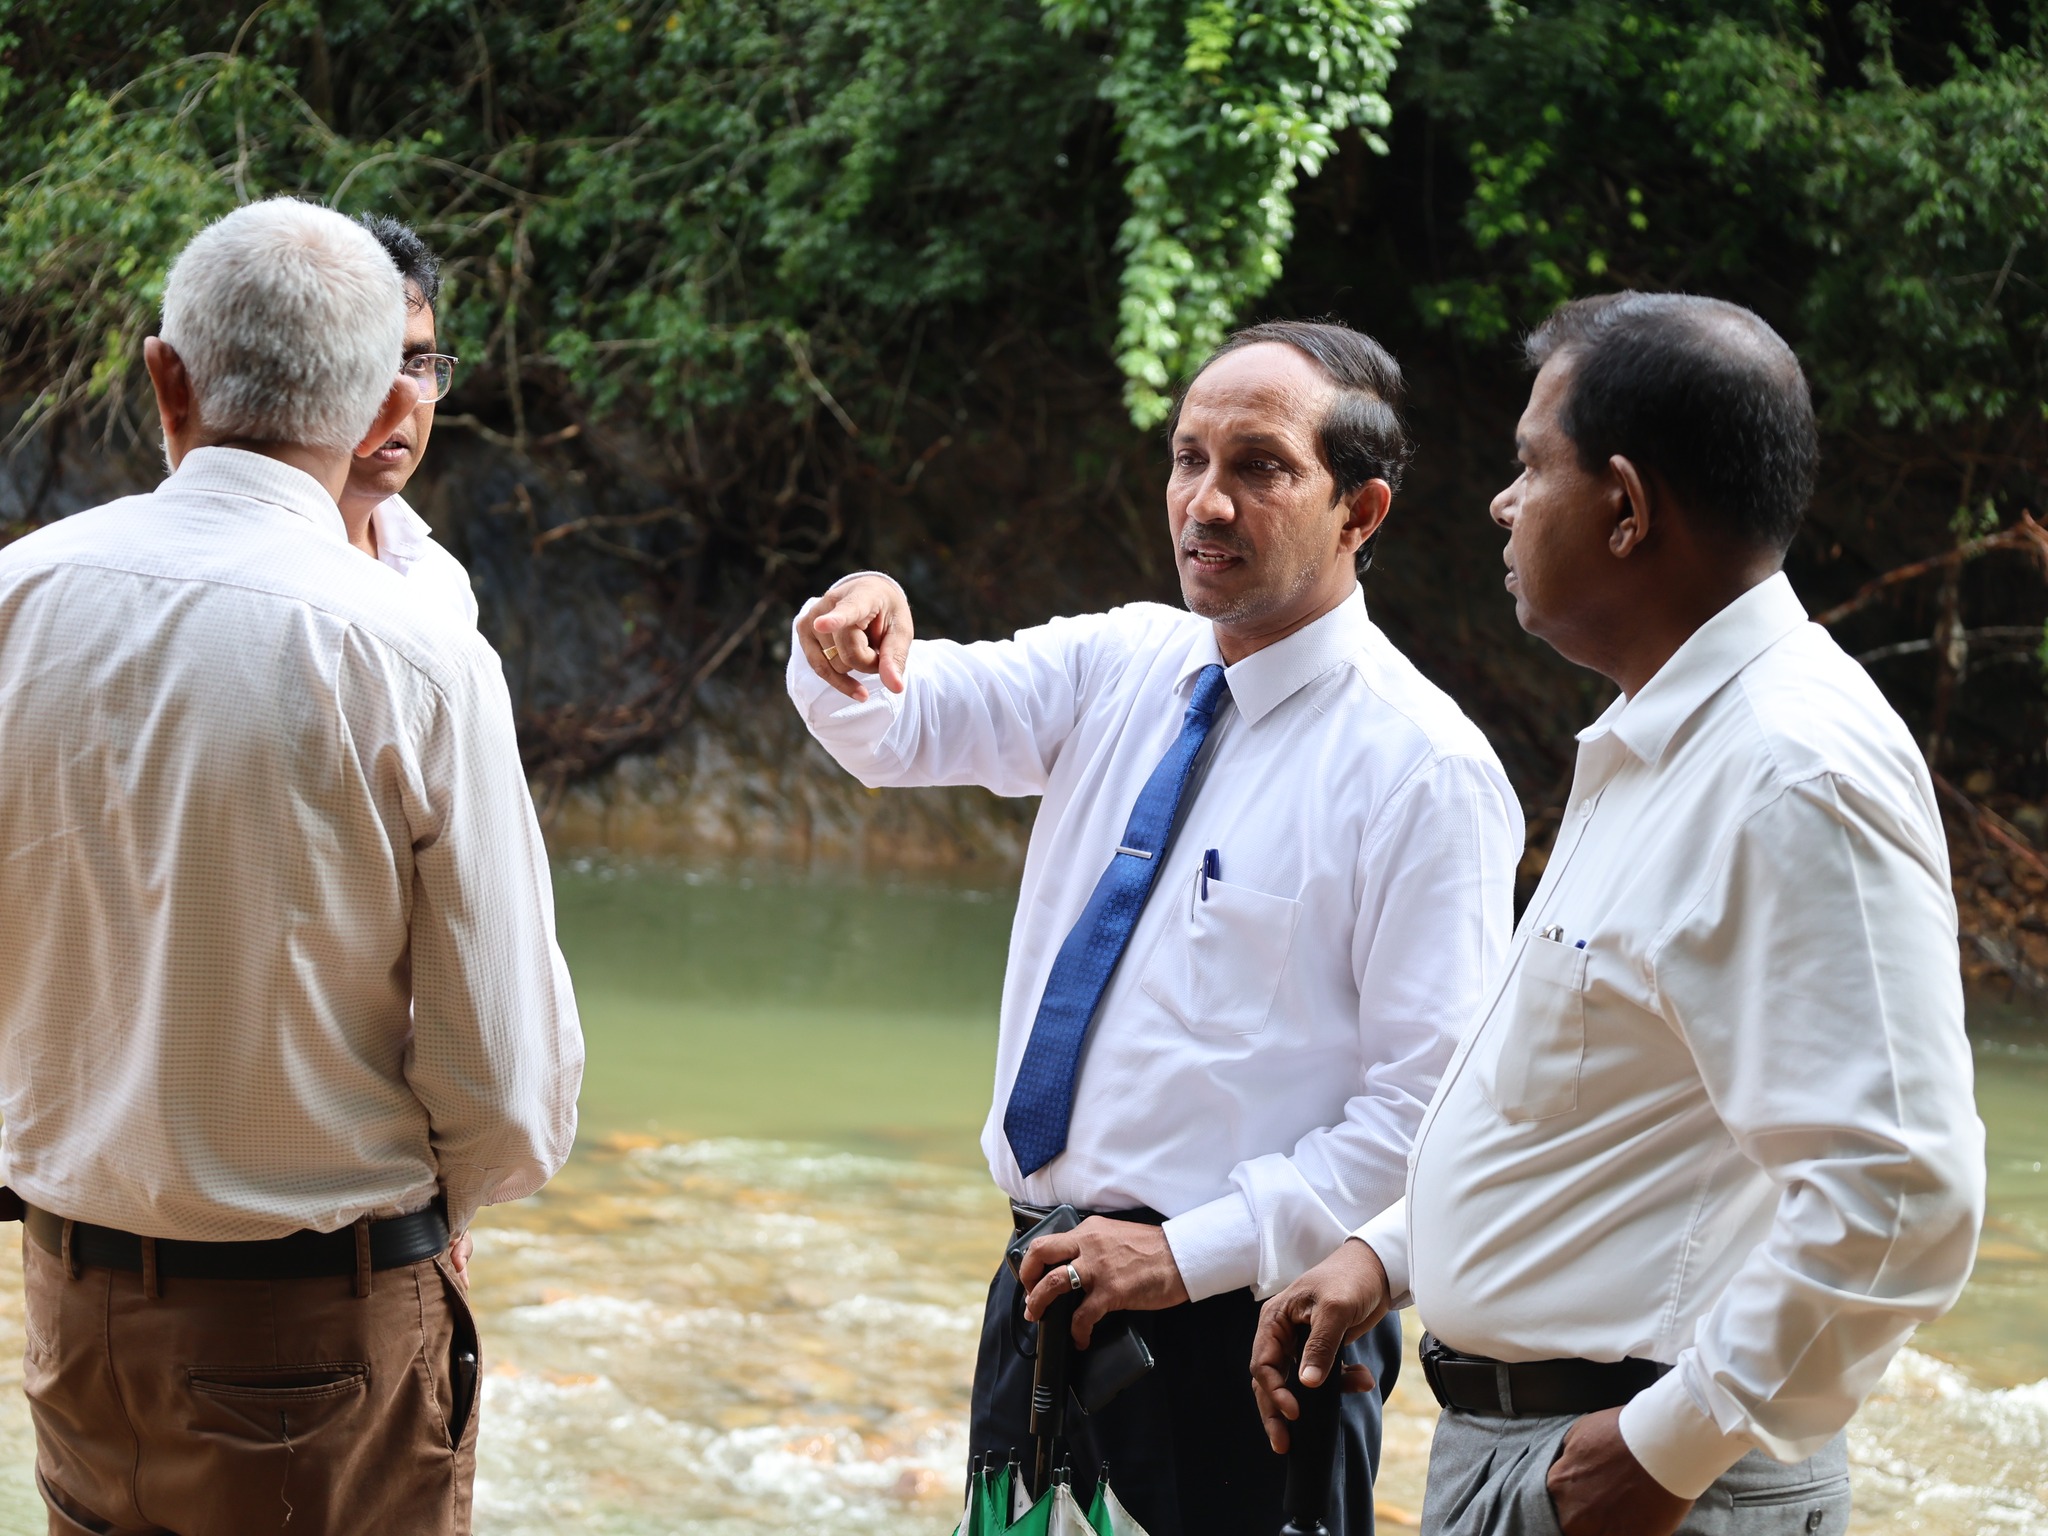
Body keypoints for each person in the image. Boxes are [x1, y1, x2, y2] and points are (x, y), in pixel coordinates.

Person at [1250, 293, 1985, 1536]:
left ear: (1627, 508)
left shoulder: (1788, 770)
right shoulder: (1663, 739)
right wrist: (1389, 1253)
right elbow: (1593, 1115)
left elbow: (1901, 1192)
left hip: (1638, 1475)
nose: (1502, 502)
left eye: (1531, 465)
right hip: (1545, 1449)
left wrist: (1666, 1446)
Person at [788, 320, 1522, 1534]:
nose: (1205, 502)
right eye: (1188, 459)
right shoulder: (1122, 662)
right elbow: (893, 725)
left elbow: (1426, 1124)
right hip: (1044, 1293)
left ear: (1360, 510)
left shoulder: (1420, 770)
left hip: (1252, 1336)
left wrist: (1182, 1256)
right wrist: (853, 629)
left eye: (1259, 467)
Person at [0, 197, 584, 1536]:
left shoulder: (18, 597)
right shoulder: (417, 657)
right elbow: (505, 1077)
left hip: (72, 1309)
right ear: (381, 400)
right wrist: (448, 1210)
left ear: (166, 379)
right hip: (317, 1321)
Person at [344, 212, 479, 628]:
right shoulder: (257, 571)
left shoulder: (440, 582)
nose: (401, 397)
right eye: (373, 363)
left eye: (419, 364)